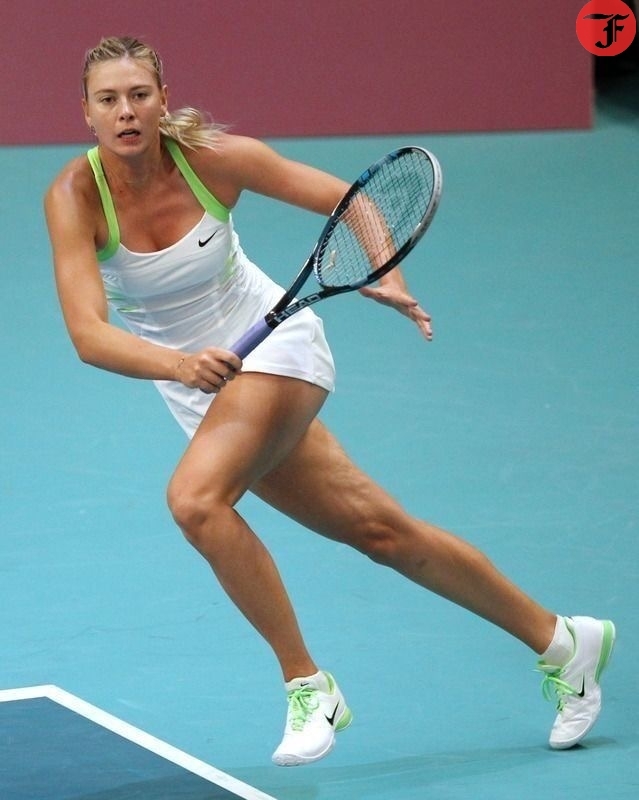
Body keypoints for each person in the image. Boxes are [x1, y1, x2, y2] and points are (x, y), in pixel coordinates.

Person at [44, 36, 615, 767]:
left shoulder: (216, 158)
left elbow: (356, 203)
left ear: (162, 100)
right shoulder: (73, 197)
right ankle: (563, 642)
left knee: (194, 501)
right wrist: (180, 365)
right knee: (381, 532)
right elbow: (89, 336)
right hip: (200, 383)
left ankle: (307, 686)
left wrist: (384, 271)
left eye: (138, 95)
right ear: (86, 113)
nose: (125, 111)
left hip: (276, 347)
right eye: (108, 100)